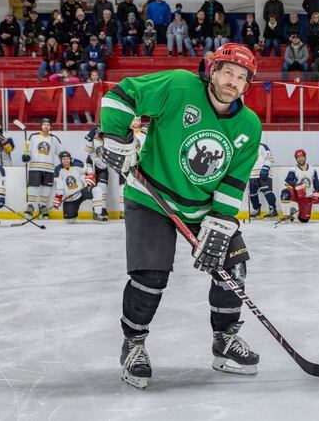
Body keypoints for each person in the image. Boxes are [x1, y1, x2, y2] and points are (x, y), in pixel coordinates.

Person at [99, 43, 261, 389]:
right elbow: (121, 95)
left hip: (203, 209)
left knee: (233, 266)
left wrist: (220, 221)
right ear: (212, 71)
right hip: (151, 198)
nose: (233, 81)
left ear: (247, 85)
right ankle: (134, 343)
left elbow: (234, 180)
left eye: (241, 77)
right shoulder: (178, 86)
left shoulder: (249, 124)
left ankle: (225, 339)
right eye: (227, 72)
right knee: (150, 276)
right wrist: (115, 134)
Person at [51, 151, 106, 222]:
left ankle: (97, 213)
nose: (66, 161)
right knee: (69, 221)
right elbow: (59, 184)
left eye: (67, 159)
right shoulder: (58, 170)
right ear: (61, 160)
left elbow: (88, 167)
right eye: (64, 159)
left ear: (70, 159)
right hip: (70, 198)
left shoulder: (76, 165)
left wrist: (90, 176)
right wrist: (59, 196)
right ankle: (71, 214)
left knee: (97, 190)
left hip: (82, 191)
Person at [23, 118, 61, 218]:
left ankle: (42, 206)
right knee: (33, 187)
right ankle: (30, 207)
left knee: (47, 188)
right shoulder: (33, 137)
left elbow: (61, 153)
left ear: (51, 127)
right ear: (41, 126)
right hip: (35, 167)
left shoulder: (54, 139)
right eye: (44, 124)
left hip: (49, 168)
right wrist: (26, 156)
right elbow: (28, 150)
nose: (46, 126)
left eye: (48, 124)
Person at [280, 149, 319, 223]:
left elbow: (316, 183)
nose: (300, 159)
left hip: (307, 197)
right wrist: (296, 185)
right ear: (296, 159)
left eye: (302, 157)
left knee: (304, 219)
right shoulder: (293, 169)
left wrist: (317, 192)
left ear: (305, 157)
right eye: (298, 157)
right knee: (285, 193)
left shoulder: (313, 169)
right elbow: (287, 181)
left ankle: (294, 213)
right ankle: (286, 215)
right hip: (297, 194)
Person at [247, 142, 277, 219]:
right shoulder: (246, 148)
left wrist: (266, 168)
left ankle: (273, 210)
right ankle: (256, 210)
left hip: (263, 172)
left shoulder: (263, 146)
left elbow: (270, 158)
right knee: (252, 193)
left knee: (267, 191)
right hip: (252, 174)